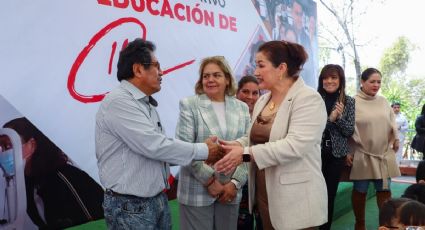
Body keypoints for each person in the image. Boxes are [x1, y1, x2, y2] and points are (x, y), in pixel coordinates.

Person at [95, 38, 223, 230]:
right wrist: (204, 150)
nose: (162, 72)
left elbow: (158, 149)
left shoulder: (143, 103)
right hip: (131, 207)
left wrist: (202, 150)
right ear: (138, 70)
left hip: (154, 200)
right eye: (156, 66)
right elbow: (153, 146)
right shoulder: (119, 102)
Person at [215, 40, 328, 229]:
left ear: (281, 68)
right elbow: (256, 137)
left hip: (295, 200)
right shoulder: (263, 100)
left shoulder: (308, 98)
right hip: (265, 194)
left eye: (260, 65)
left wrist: (244, 154)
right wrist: (234, 145)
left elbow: (295, 146)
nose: (256, 72)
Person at [175, 56, 250, 230]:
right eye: (206, 76)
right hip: (196, 191)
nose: (210, 80)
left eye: (216, 75)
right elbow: (184, 148)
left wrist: (234, 184)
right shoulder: (189, 105)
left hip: (230, 192)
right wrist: (210, 182)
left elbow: (248, 147)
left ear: (227, 79)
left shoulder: (242, 108)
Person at [2, 117, 104, 229]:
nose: (3, 153)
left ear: (32, 145)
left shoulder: (65, 178)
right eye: (1, 148)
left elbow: (96, 222)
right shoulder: (28, 184)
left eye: (8, 146)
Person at [346, 67, 401, 230]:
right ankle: (360, 224)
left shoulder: (383, 101)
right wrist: (348, 151)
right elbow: (346, 129)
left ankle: (384, 225)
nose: (376, 85)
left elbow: (392, 121)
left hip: (382, 154)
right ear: (362, 82)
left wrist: (396, 138)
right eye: (372, 81)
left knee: (384, 191)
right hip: (362, 154)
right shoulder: (352, 102)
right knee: (360, 191)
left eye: (379, 82)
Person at [317, 64, 355, 230]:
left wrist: (338, 118)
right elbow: (311, 129)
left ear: (340, 80)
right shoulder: (314, 98)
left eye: (333, 77)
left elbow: (349, 131)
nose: (329, 81)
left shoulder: (349, 102)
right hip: (313, 154)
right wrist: (330, 119)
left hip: (336, 156)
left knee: (329, 196)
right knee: (313, 194)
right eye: (325, 78)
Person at [236, 75, 262, 230]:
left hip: (259, 179)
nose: (250, 97)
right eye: (245, 91)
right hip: (236, 181)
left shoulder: (265, 118)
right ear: (237, 92)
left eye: (255, 93)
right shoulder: (229, 118)